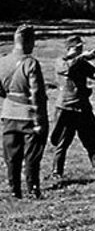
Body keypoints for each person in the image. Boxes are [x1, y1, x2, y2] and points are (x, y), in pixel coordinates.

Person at [0, 25, 49, 199]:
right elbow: (37, 94)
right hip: (28, 115)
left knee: (11, 156)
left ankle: (14, 190)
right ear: (29, 42)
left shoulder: (2, 61)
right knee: (32, 155)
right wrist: (39, 121)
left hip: (8, 114)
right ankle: (33, 189)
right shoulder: (30, 62)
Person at [50, 35, 95, 177]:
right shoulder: (61, 61)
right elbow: (67, 69)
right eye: (78, 47)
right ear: (69, 49)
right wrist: (83, 57)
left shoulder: (81, 62)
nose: (81, 49)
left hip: (82, 107)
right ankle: (57, 172)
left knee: (90, 141)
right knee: (62, 143)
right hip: (67, 107)